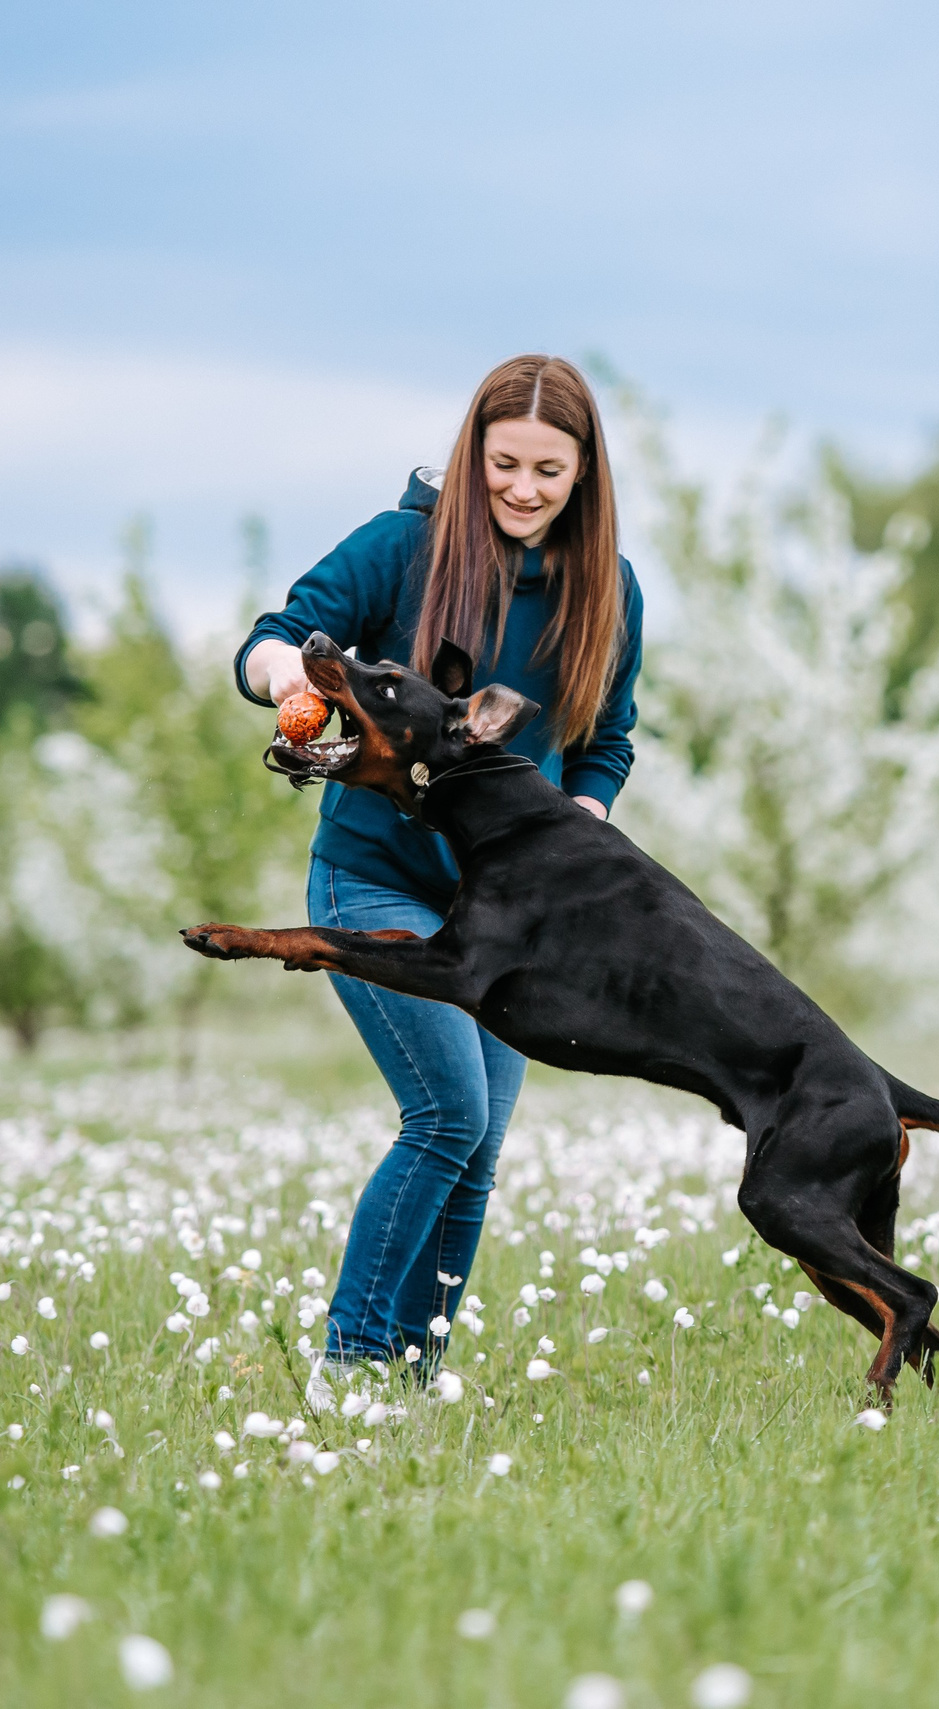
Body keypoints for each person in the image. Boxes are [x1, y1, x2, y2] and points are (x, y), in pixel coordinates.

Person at [234, 354, 644, 1400]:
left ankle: (412, 1382)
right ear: (473, 455)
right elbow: (271, 640)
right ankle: (346, 1366)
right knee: (447, 1116)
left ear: (584, 475)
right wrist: (286, 678)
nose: (522, 488)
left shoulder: (608, 589)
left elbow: (604, 740)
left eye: (548, 471)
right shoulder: (400, 547)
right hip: (372, 875)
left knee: (480, 1149)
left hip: (507, 910)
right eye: (504, 462)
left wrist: (581, 820)